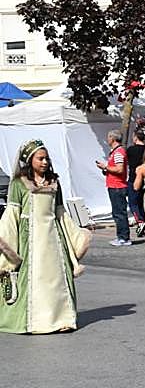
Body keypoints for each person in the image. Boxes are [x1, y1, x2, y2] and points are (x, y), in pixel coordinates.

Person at [0, 140, 91, 334]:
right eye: (40, 158)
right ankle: (35, 321)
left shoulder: (54, 183)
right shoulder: (19, 184)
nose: (45, 162)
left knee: (57, 279)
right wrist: (8, 247)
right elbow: (11, 215)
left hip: (53, 238)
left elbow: (61, 213)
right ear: (29, 160)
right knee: (33, 279)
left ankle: (61, 319)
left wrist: (76, 237)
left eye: (46, 158)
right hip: (29, 240)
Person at [97, 130, 131, 246]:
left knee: (119, 213)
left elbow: (119, 169)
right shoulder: (115, 152)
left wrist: (106, 166)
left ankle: (123, 237)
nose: (107, 139)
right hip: (114, 185)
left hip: (117, 186)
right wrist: (106, 169)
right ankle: (122, 236)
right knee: (117, 212)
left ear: (113, 138)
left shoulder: (118, 153)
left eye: (108, 137)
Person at [125, 129, 145, 237]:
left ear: (135, 138)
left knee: (133, 202)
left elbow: (127, 162)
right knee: (142, 202)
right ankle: (143, 221)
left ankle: (140, 221)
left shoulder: (131, 150)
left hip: (134, 178)